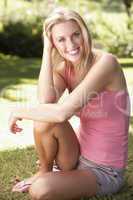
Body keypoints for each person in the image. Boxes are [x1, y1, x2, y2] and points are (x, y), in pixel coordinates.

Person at [9, 7, 130, 199]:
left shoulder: (106, 63)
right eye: (61, 39)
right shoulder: (64, 68)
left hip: (104, 170)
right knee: (43, 116)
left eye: (76, 35)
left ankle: (50, 178)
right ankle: (45, 170)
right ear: (53, 42)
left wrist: (19, 110)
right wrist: (47, 51)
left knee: (41, 190)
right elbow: (46, 102)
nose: (71, 44)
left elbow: (62, 113)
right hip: (76, 155)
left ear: (85, 34)